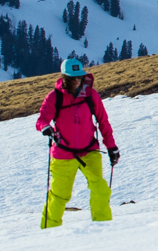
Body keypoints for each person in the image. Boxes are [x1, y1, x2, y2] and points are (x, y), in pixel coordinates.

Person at [36, 56, 121, 227]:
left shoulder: (91, 95)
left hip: (90, 151)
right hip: (63, 154)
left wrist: (111, 147)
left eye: (79, 77)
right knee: (59, 196)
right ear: (65, 78)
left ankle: (103, 227)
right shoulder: (54, 97)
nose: (77, 81)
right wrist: (45, 127)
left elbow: (103, 121)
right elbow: (42, 119)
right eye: (73, 77)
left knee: (100, 189)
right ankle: (48, 232)